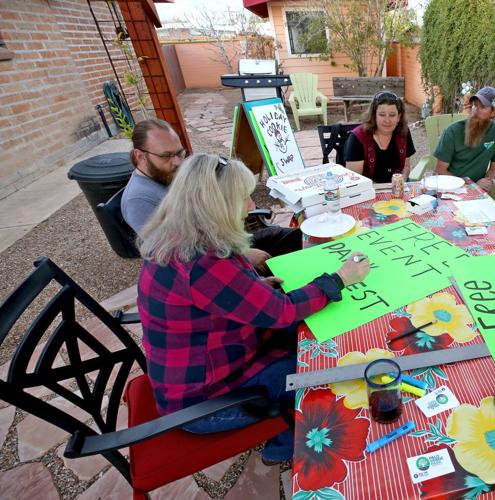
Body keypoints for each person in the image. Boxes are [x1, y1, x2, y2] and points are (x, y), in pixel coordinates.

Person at [137, 153, 371, 464]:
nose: (249, 206)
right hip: (204, 404)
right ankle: (283, 443)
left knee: (309, 335)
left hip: (201, 369)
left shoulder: (181, 236)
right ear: (214, 205)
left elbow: (216, 298)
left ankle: (284, 431)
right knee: (324, 368)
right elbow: (282, 312)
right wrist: (340, 279)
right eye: (242, 198)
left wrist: (255, 289)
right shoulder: (202, 262)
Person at [123, 118, 300, 274]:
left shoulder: (167, 175)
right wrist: (242, 255)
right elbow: (174, 254)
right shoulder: (138, 200)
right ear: (140, 156)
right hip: (210, 258)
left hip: (222, 241)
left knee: (287, 236)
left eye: (179, 153)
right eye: (166, 155)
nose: (177, 161)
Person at [433, 86, 495, 190]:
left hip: (477, 188)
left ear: (493, 112)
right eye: (475, 105)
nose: (475, 110)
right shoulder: (452, 131)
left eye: (482, 107)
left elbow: (494, 169)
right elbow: (440, 170)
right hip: (449, 185)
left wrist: (487, 181)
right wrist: (471, 186)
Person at [344, 91, 416, 182]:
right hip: (368, 190)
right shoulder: (357, 138)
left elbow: (406, 167)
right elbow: (354, 180)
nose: (387, 120)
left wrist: (400, 183)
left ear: (398, 117)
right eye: (382, 115)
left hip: (397, 188)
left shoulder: (403, 132)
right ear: (374, 115)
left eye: (392, 115)